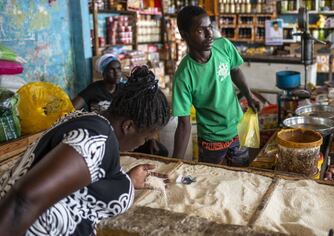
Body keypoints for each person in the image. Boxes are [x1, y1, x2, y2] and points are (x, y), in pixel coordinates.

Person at [0, 66, 170, 236]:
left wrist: (128, 181)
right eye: (145, 139)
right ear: (128, 126)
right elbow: (24, 201)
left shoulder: (88, 120)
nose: (142, 144)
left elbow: (77, 183)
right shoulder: (97, 139)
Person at [172, 6, 259, 166]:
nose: (209, 34)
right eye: (200, 30)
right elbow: (183, 124)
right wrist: (175, 162)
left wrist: (249, 95)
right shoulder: (184, 75)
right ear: (185, 35)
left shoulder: (224, 46)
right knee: (211, 181)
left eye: (209, 27)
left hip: (238, 129)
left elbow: (235, 70)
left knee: (241, 175)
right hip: (212, 140)